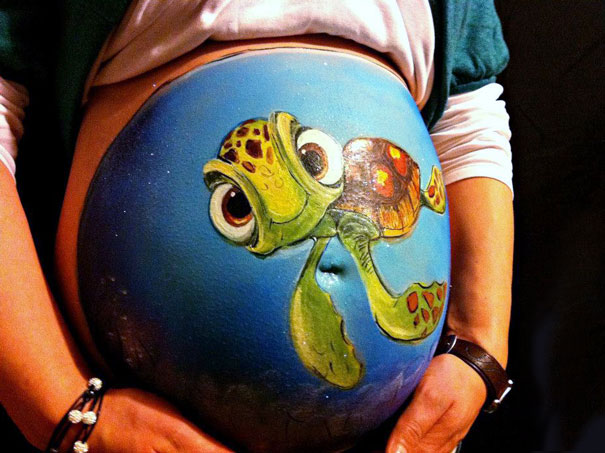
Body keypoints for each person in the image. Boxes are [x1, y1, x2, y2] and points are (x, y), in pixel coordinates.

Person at [0, 1, 513, 452]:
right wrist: (60, 408)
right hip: (121, 419)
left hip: (392, 432)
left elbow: (468, 114)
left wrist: (478, 349)